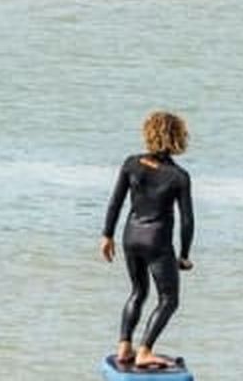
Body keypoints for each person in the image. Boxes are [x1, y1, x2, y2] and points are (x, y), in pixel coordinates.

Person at [100, 111, 194, 369]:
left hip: (130, 236)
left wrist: (107, 235)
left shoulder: (131, 163)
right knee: (169, 300)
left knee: (138, 291)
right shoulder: (179, 177)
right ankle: (145, 351)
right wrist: (184, 255)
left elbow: (116, 201)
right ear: (177, 138)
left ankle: (124, 347)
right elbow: (187, 221)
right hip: (157, 242)